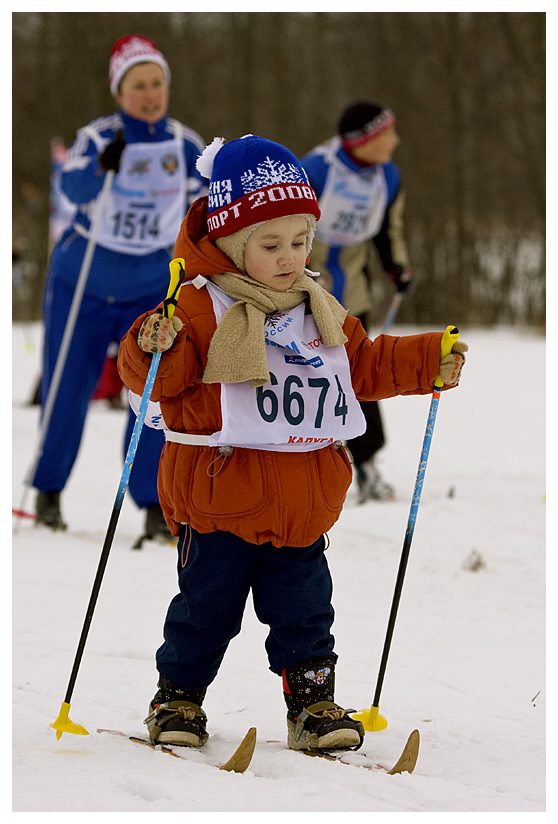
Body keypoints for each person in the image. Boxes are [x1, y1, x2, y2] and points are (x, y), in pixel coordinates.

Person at [117, 134, 467, 753]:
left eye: (300, 241)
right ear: (230, 242)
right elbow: (159, 381)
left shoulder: (318, 308)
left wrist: (425, 360)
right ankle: (178, 697)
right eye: (270, 244)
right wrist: (153, 342)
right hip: (218, 500)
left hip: (302, 505)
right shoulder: (200, 308)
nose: (289, 257)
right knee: (205, 611)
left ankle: (313, 705)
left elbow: (364, 362)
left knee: (307, 616)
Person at [32, 35, 207, 538]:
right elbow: (73, 187)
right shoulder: (98, 137)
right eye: (137, 86)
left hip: (149, 285)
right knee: (68, 385)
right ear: (119, 91)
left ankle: (153, 504)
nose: (149, 95)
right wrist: (100, 166)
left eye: (156, 84)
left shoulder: (184, 144)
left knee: (152, 393)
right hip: (82, 279)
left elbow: (203, 215)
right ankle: (48, 491)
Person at [301, 101, 415, 503]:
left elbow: (388, 227)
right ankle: (302, 457)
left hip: (353, 293)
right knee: (308, 373)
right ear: (364, 140)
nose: (395, 141)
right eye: (387, 135)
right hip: (304, 291)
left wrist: (396, 267)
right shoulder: (317, 169)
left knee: (358, 372)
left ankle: (364, 460)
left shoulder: (389, 176)